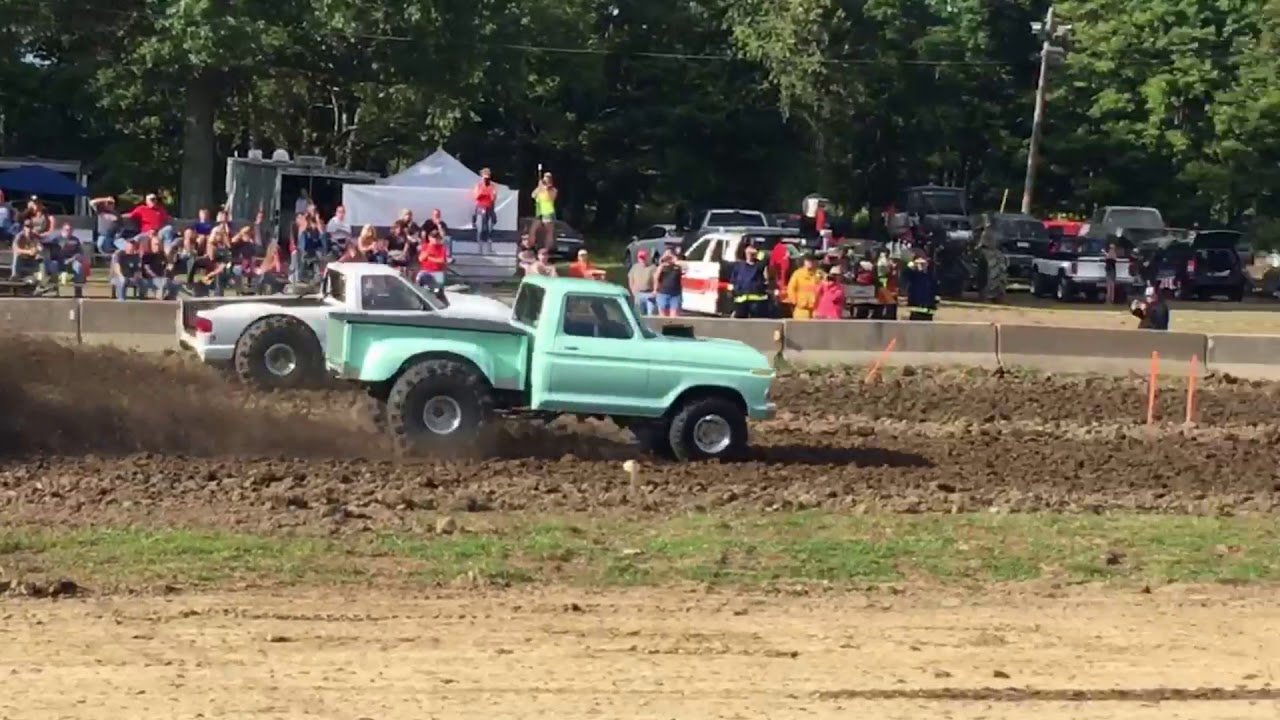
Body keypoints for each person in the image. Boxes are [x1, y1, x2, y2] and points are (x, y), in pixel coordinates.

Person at [729, 244, 770, 318]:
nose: (750, 254)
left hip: (757, 302)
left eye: (752, 253)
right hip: (741, 301)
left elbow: (765, 257)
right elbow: (733, 282)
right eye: (748, 252)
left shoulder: (759, 266)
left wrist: (756, 252)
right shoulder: (739, 266)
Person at [139, 233, 177, 300]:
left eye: (159, 244)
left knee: (176, 284)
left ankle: (169, 298)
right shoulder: (147, 256)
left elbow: (166, 268)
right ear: (150, 245)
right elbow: (147, 270)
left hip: (161, 279)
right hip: (149, 279)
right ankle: (159, 300)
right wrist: (158, 277)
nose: (158, 246)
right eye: (156, 244)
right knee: (163, 281)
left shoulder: (162, 255)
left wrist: (169, 268)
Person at [901, 254, 938, 321]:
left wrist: (935, 300)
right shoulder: (913, 275)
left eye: (923, 263)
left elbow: (934, 288)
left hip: (928, 306)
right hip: (916, 305)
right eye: (920, 263)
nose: (922, 265)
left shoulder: (930, 276)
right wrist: (912, 265)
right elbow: (905, 273)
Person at [786, 254, 822, 319]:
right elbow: (791, 289)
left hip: (816, 309)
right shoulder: (798, 274)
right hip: (801, 308)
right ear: (804, 262)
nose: (810, 263)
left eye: (812, 261)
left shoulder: (820, 274)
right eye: (808, 261)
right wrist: (795, 301)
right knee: (801, 327)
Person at [531, 171, 558, 251]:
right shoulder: (540, 189)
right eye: (545, 179)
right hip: (539, 212)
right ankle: (532, 247)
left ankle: (546, 250)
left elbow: (552, 197)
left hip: (548, 212)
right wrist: (539, 187)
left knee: (548, 232)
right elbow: (533, 195)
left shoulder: (553, 190)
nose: (546, 181)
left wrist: (545, 188)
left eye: (548, 179)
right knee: (533, 230)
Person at [473, 168, 498, 254]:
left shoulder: (492, 186)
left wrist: (491, 193)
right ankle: (479, 248)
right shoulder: (478, 186)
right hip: (481, 208)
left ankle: (489, 248)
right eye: (485, 177)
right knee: (480, 228)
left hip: (490, 208)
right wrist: (483, 190)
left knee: (490, 228)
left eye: (488, 177)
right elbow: (476, 196)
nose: (486, 179)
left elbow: (493, 198)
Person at [653, 250, 683, 317]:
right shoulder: (662, 267)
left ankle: (672, 327)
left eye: (670, 256)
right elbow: (655, 277)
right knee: (662, 315)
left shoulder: (677, 267)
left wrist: (674, 259)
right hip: (662, 293)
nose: (668, 258)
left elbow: (686, 268)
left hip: (675, 294)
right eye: (667, 256)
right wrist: (662, 261)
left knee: (674, 315)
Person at [628, 249, 656, 315]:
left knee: (650, 314)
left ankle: (650, 325)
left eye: (644, 258)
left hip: (649, 294)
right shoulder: (635, 267)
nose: (642, 260)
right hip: (638, 294)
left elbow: (656, 280)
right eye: (640, 258)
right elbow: (631, 279)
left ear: (647, 258)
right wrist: (633, 290)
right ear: (638, 258)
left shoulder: (652, 267)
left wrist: (655, 291)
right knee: (639, 314)